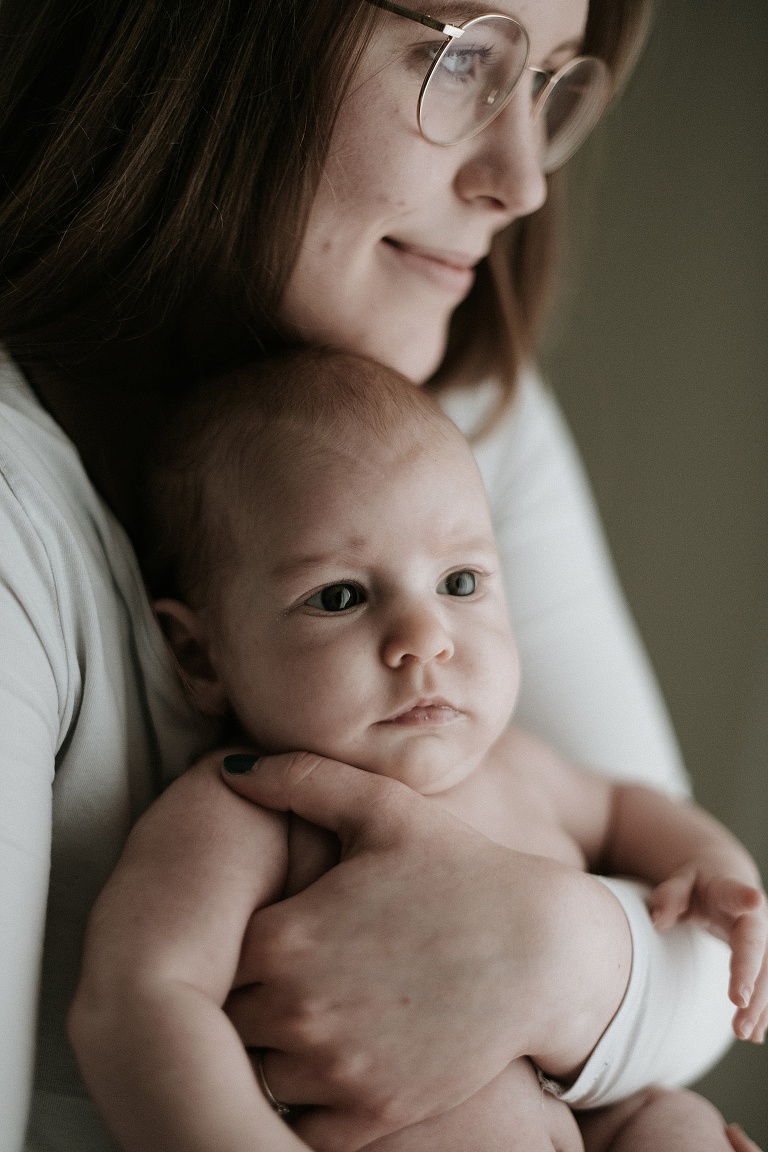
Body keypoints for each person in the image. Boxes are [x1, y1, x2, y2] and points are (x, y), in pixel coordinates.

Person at [0, 1, 759, 1150]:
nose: (525, 181)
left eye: (548, 82)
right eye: (462, 62)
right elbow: (140, 1005)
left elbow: (692, 960)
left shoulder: (461, 428)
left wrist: (609, 924)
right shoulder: (251, 802)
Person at [69, 348, 768, 1152]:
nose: (423, 637)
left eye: (461, 582)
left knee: (676, 1122)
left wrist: (723, 875)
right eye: (340, 596)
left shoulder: (523, 766)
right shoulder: (247, 808)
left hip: (590, 1124)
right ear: (200, 657)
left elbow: (631, 809)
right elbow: (137, 1001)